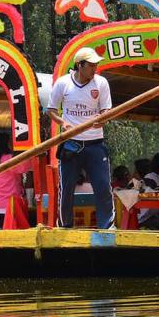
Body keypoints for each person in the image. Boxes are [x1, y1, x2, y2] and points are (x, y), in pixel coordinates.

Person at [47, 46, 114, 229]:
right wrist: (63, 123)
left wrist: (103, 119)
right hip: (71, 143)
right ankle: (64, 225)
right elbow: (51, 110)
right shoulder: (63, 83)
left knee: (102, 185)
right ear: (79, 65)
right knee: (66, 187)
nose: (95, 69)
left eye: (96, 65)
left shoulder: (101, 83)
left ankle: (106, 226)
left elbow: (105, 110)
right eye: (91, 65)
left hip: (95, 142)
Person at [0, 132, 35, 230]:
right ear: (6, 144)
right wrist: (32, 152)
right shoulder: (8, 159)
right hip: (8, 206)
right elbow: (25, 167)